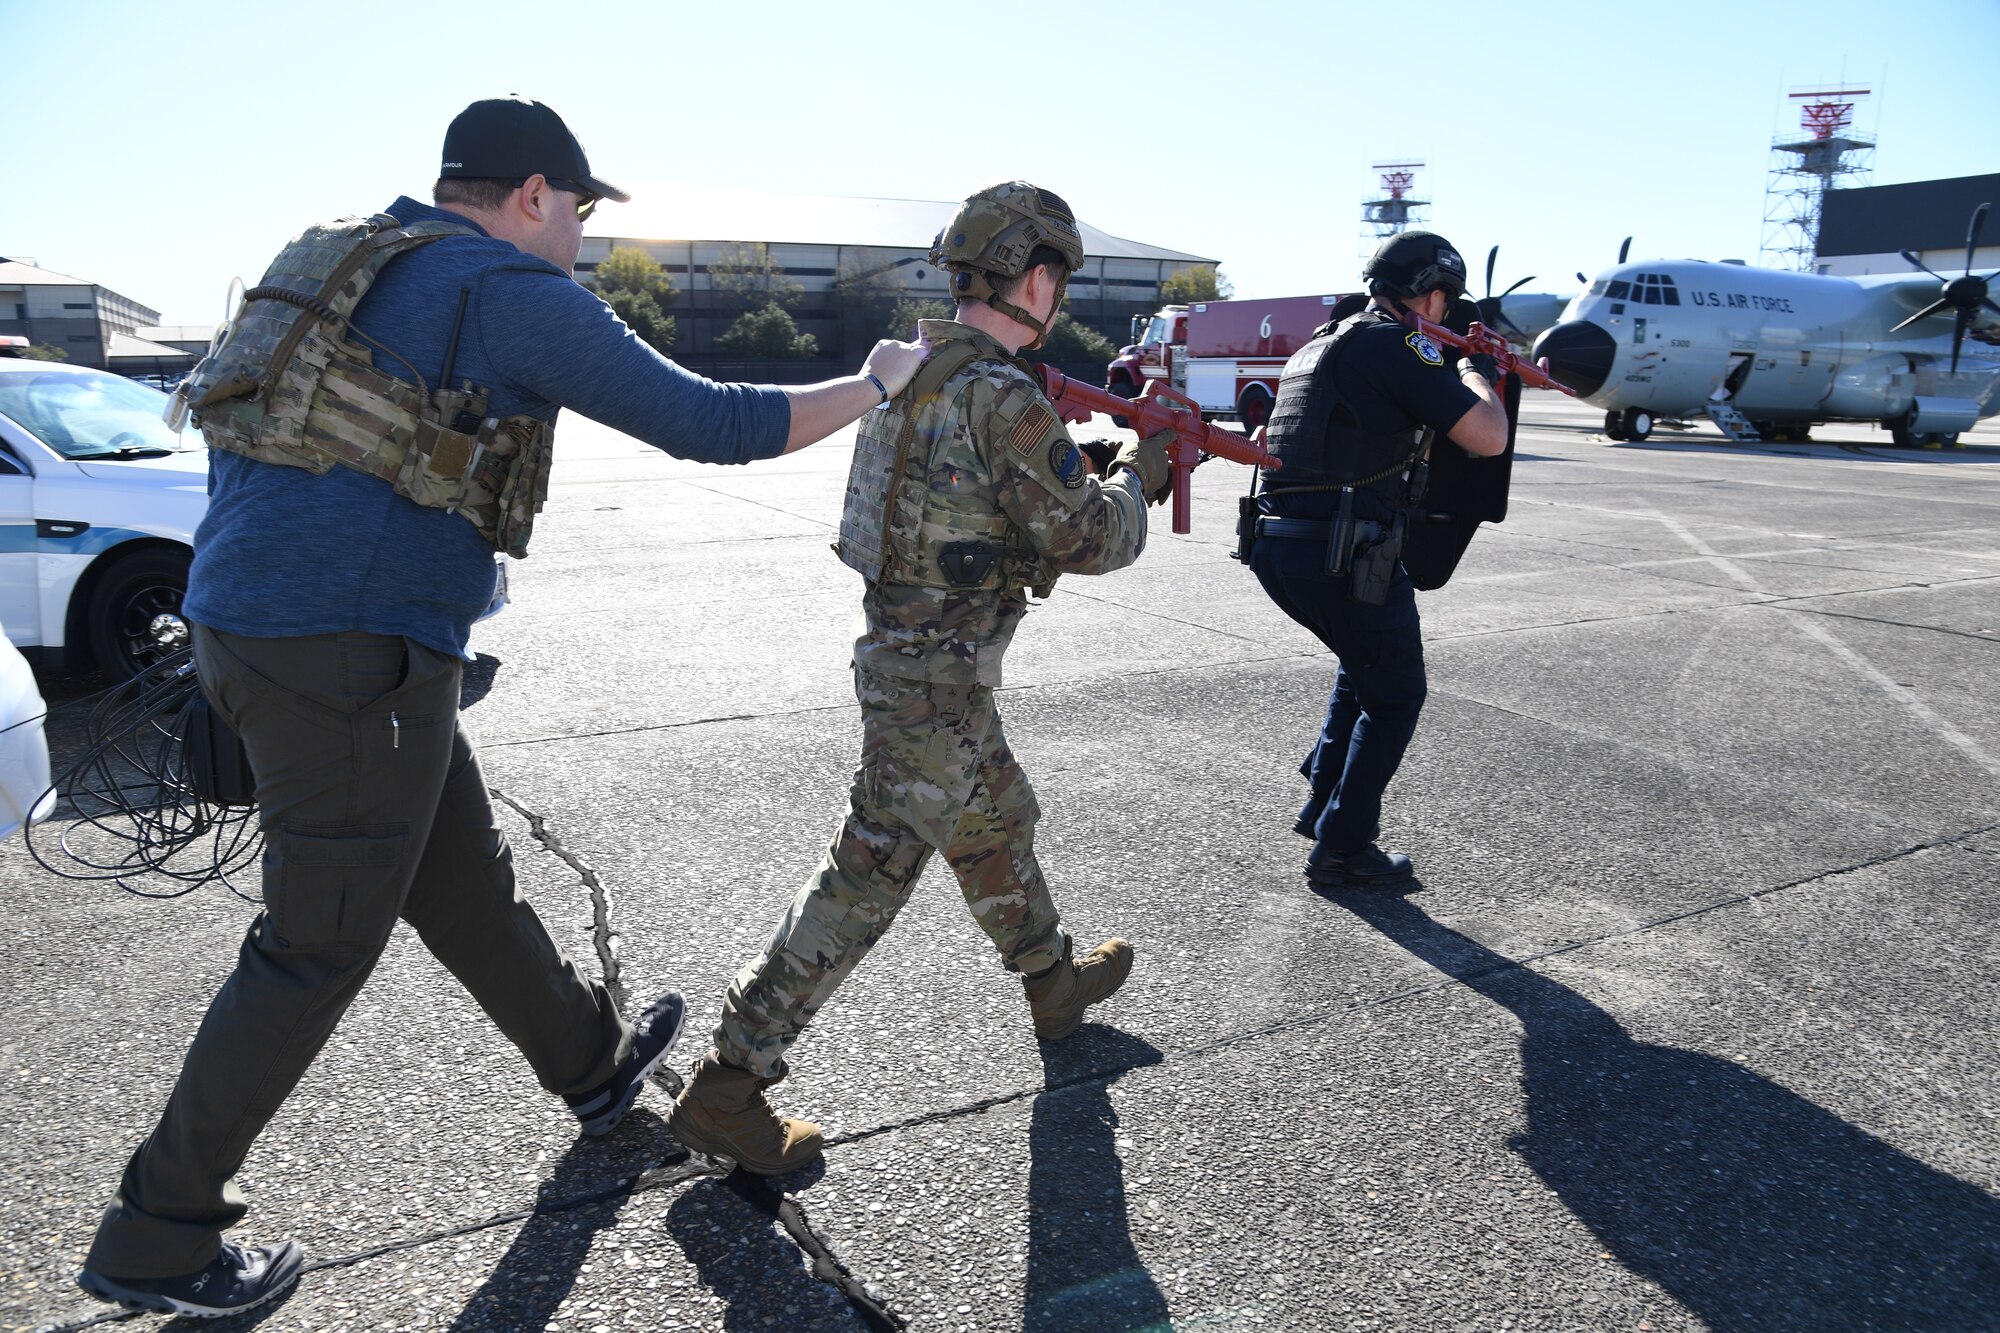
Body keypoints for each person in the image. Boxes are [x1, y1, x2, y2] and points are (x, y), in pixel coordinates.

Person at [75, 95, 926, 1319]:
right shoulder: (506, 290)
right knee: (314, 945)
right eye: (578, 208)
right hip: (345, 657)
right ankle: (155, 1237)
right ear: (533, 194)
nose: (580, 233)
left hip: (252, 625)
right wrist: (874, 382)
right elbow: (711, 421)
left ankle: (589, 1069)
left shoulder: (340, 258)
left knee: (461, 881)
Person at [665, 181, 1176, 1174]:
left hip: (915, 664)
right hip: (933, 683)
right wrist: (1135, 483)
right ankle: (729, 1084)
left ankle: (1050, 983)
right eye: (1056, 278)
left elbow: (963, 504)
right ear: (1036, 277)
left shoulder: (915, 374)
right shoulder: (1002, 392)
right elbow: (1085, 536)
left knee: (998, 817)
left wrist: (1079, 463)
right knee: (867, 875)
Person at [1247, 230, 1508, 890]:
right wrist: (1478, 369)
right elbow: (1487, 434)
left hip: (1283, 547)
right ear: (1429, 293)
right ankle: (1344, 848)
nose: (1448, 316)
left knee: (1362, 667)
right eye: (1446, 302)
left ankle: (1323, 805)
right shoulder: (1396, 344)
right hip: (1343, 551)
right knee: (1397, 698)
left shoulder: (1320, 342)